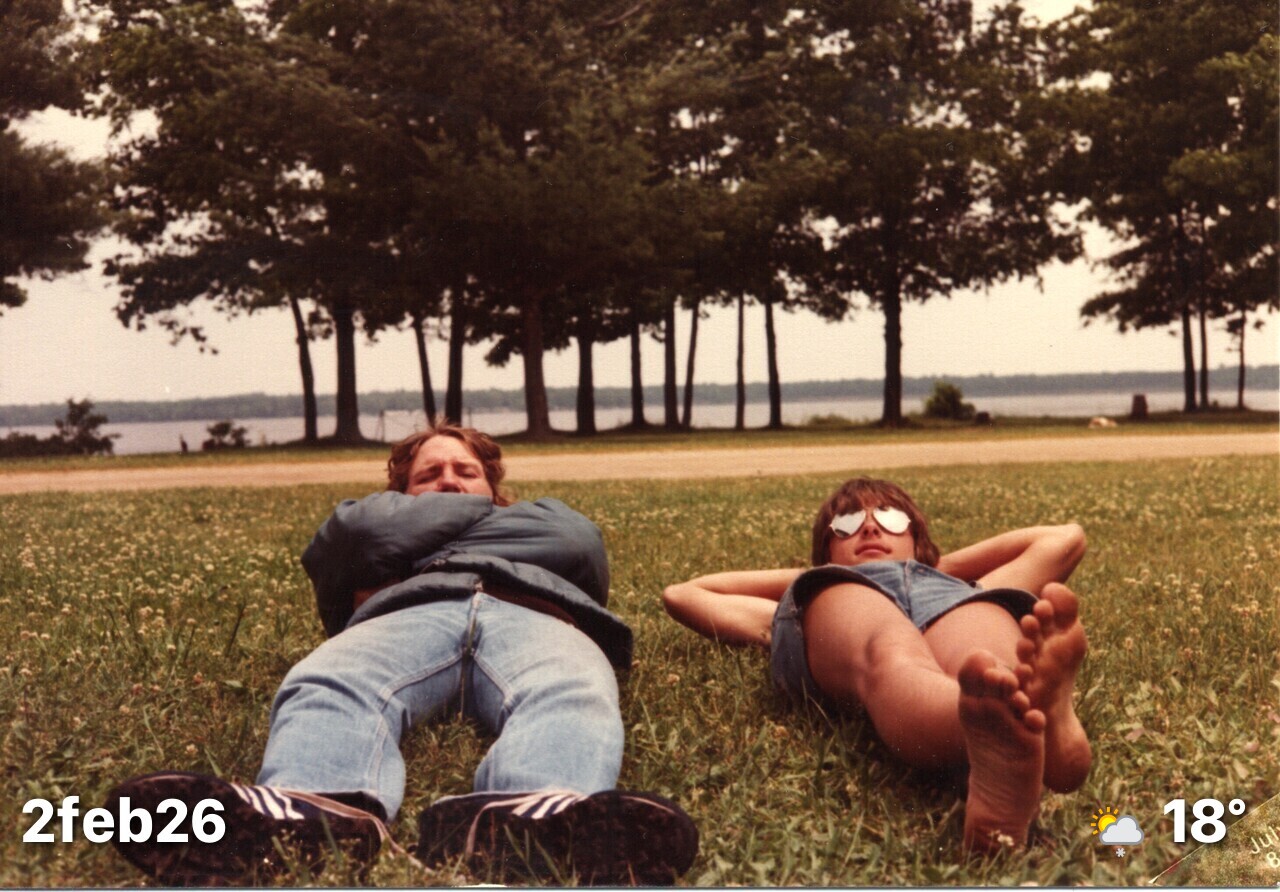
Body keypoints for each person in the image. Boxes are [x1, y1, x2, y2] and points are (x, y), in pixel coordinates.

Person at [107, 419, 698, 885]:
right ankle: (311, 809)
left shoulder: (546, 519)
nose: (448, 481)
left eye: (466, 473)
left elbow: (576, 541)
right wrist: (485, 516)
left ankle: (530, 814)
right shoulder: (495, 523)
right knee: (331, 681)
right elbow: (357, 535)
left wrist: (419, 528)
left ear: (496, 486)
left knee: (573, 692)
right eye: (429, 476)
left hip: (534, 617)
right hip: (407, 615)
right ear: (397, 491)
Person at [662, 476, 1091, 852]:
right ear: (827, 547)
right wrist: (814, 575)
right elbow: (684, 594)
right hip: (848, 597)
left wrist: (930, 567)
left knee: (985, 658)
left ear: (916, 537)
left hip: (951, 595)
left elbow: (1066, 537)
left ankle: (1024, 711)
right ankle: (998, 724)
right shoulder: (822, 593)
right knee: (889, 654)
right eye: (846, 523)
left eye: (891, 520)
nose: (869, 525)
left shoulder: (965, 585)